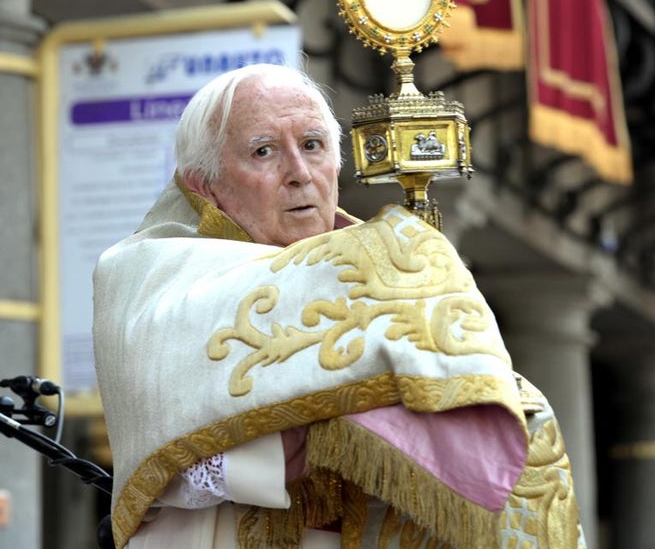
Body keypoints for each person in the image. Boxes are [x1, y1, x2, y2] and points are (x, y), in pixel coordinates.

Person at [93, 63, 585, 548]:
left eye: (312, 145)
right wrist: (345, 421)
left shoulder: (400, 269)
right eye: (264, 152)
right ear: (205, 184)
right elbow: (171, 468)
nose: (299, 173)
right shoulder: (154, 279)